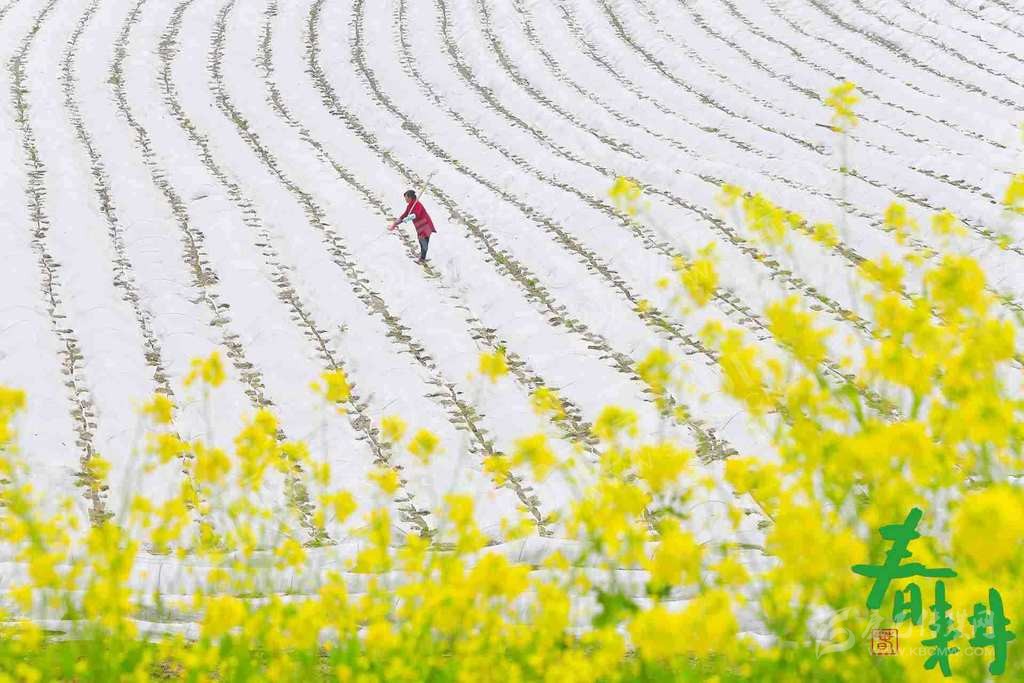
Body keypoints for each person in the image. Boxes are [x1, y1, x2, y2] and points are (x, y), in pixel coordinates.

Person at [390, 190, 436, 263]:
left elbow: (415, 214)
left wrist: (407, 219)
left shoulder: (417, 204)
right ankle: (422, 256)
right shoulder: (410, 205)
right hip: (420, 226)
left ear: (410, 197)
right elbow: (405, 215)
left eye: (406, 197)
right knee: (421, 241)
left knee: (423, 242)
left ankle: (422, 258)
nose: (405, 199)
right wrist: (396, 223)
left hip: (425, 225)